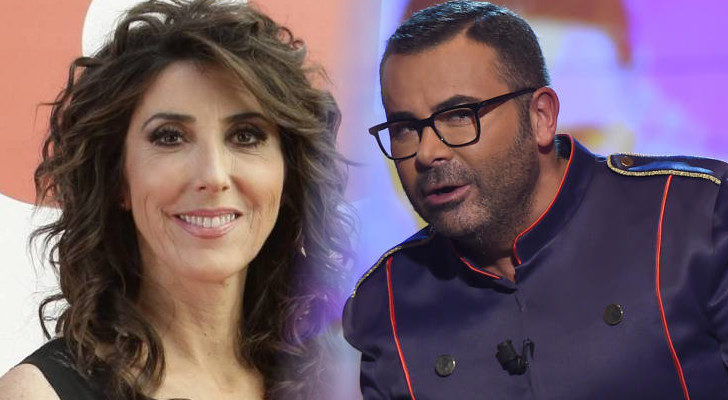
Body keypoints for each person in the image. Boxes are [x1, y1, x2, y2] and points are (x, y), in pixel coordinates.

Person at [342, 1, 728, 399]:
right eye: (405, 128)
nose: (427, 153)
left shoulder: (695, 217)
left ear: (541, 117)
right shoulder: (386, 303)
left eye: (459, 115)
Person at [0, 0, 351, 399]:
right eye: (169, 137)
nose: (213, 176)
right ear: (118, 178)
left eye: (246, 136)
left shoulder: (353, 376)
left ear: (288, 173)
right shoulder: (38, 393)